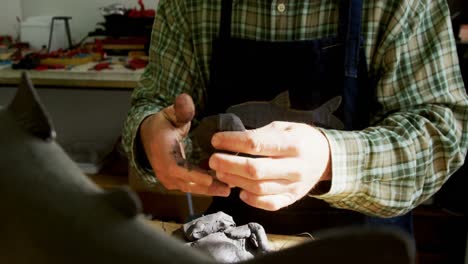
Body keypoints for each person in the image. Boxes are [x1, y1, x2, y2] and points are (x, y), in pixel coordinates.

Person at [122, 0, 468, 235]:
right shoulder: (187, 5)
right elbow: (155, 104)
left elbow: (443, 134)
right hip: (232, 234)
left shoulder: (402, 5)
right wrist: (150, 133)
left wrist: (332, 159)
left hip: (366, 242)